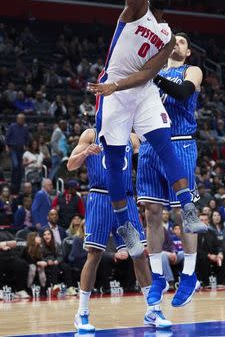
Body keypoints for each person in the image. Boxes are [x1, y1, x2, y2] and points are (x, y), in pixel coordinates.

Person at [86, 0, 204, 257]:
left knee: (165, 143)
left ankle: (187, 209)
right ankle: (125, 224)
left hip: (139, 88)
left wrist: (123, 86)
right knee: (113, 161)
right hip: (113, 88)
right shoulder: (135, 9)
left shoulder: (167, 36)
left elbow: (149, 74)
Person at [67, 127, 171, 332]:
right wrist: (86, 152)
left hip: (125, 198)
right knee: (94, 254)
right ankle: (82, 313)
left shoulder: (131, 138)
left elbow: (143, 165)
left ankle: (153, 309)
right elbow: (71, 165)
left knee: (139, 253)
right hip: (100, 196)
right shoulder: (91, 134)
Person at [136, 31, 206, 309]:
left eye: (181, 41)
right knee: (151, 212)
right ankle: (157, 277)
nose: (176, 43)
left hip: (179, 142)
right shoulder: (154, 71)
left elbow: (182, 92)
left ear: (188, 51)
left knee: (182, 211)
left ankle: (189, 275)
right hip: (151, 145)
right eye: (173, 40)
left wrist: (154, 77)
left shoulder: (193, 70)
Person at [41, 228, 76, 296]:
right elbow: (39, 257)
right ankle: (54, 287)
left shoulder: (56, 244)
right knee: (55, 267)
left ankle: (70, 288)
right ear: (42, 236)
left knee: (66, 267)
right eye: (44, 235)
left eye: (48, 234)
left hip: (56, 262)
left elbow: (60, 255)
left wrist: (57, 260)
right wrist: (47, 261)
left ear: (51, 235)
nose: (47, 236)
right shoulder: (41, 245)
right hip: (46, 264)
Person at [5, 113, 30, 194]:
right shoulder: (12, 126)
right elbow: (7, 136)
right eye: (20, 119)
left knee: (20, 168)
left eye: (22, 119)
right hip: (13, 148)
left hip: (21, 150)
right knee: (15, 165)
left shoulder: (25, 128)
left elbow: (27, 138)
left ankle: (17, 186)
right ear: (17, 119)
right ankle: (12, 183)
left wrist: (26, 146)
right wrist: (6, 146)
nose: (21, 120)